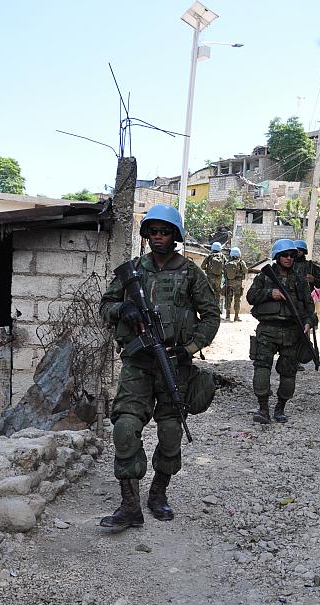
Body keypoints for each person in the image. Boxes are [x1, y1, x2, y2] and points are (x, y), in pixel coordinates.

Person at [98, 204, 220, 531]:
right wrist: (124, 309)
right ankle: (129, 505)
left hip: (173, 365)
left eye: (164, 231)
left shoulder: (191, 273)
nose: (158, 237)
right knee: (124, 429)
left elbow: (211, 316)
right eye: (152, 231)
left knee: (169, 433)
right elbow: (105, 305)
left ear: (175, 235)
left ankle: (158, 493)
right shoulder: (135, 270)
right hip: (138, 364)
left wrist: (189, 348)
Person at [246, 239, 317, 424]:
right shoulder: (265, 276)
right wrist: (271, 293)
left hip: (291, 331)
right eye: (285, 255)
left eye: (292, 255)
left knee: (288, 372)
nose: (289, 258)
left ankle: (280, 408)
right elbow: (251, 296)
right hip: (268, 330)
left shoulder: (299, 279)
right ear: (277, 257)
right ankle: (263, 408)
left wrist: (309, 323)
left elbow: (309, 307)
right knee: (261, 368)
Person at [294, 240, 320, 318]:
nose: (298, 252)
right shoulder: (287, 265)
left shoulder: (311, 266)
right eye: (296, 250)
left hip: (305, 302)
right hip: (289, 301)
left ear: (304, 251)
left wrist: (313, 279)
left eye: (300, 250)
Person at [222, 246, 248, 322]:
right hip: (238, 284)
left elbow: (224, 273)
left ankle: (227, 316)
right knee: (237, 300)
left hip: (229, 284)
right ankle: (236, 317)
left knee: (228, 299)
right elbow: (246, 271)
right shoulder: (240, 262)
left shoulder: (227, 263)